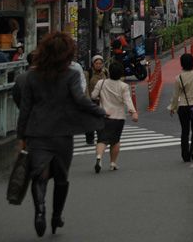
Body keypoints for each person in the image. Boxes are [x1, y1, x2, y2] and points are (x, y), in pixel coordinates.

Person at [17, 32, 105, 237]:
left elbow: (25, 109)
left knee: (39, 175)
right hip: (62, 132)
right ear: (67, 53)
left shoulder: (31, 76)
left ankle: (40, 210)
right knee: (61, 177)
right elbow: (80, 100)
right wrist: (99, 111)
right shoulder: (71, 75)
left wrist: (21, 137)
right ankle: (56, 216)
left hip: (36, 132)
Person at [92, 60, 138, 172]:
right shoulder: (123, 86)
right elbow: (128, 100)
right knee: (115, 141)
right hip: (118, 117)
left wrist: (100, 99)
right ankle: (113, 163)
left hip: (103, 115)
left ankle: (99, 158)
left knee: (101, 140)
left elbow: (93, 96)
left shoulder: (101, 83)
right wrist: (133, 112)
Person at [85, 55, 108, 145]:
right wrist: (87, 100)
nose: (98, 65)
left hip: (102, 100)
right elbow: (85, 87)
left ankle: (101, 137)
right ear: (93, 64)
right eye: (96, 63)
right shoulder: (88, 73)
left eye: (100, 63)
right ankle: (89, 138)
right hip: (91, 100)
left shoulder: (105, 72)